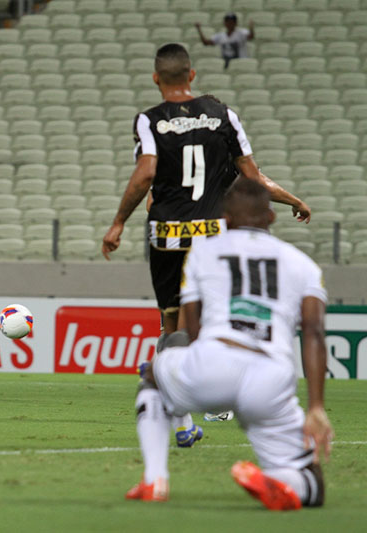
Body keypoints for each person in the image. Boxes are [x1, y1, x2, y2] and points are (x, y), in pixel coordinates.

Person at [101, 43, 310, 444]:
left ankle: (178, 417)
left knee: (171, 323)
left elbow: (146, 178)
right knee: (213, 320)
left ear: (156, 78)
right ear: (192, 75)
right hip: (212, 236)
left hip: (166, 235)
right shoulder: (223, 119)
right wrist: (292, 201)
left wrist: (118, 223)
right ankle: (216, 399)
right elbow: (254, 178)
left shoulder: (149, 121)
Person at [126, 178, 333, 510]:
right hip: (270, 378)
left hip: (214, 361)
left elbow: (192, 326)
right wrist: (316, 407)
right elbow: (314, 332)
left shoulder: (203, 252)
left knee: (152, 375)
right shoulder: (303, 264)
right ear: (271, 216)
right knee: (313, 486)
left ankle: (155, 479)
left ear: (224, 218)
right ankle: (285, 481)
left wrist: (199, 368)